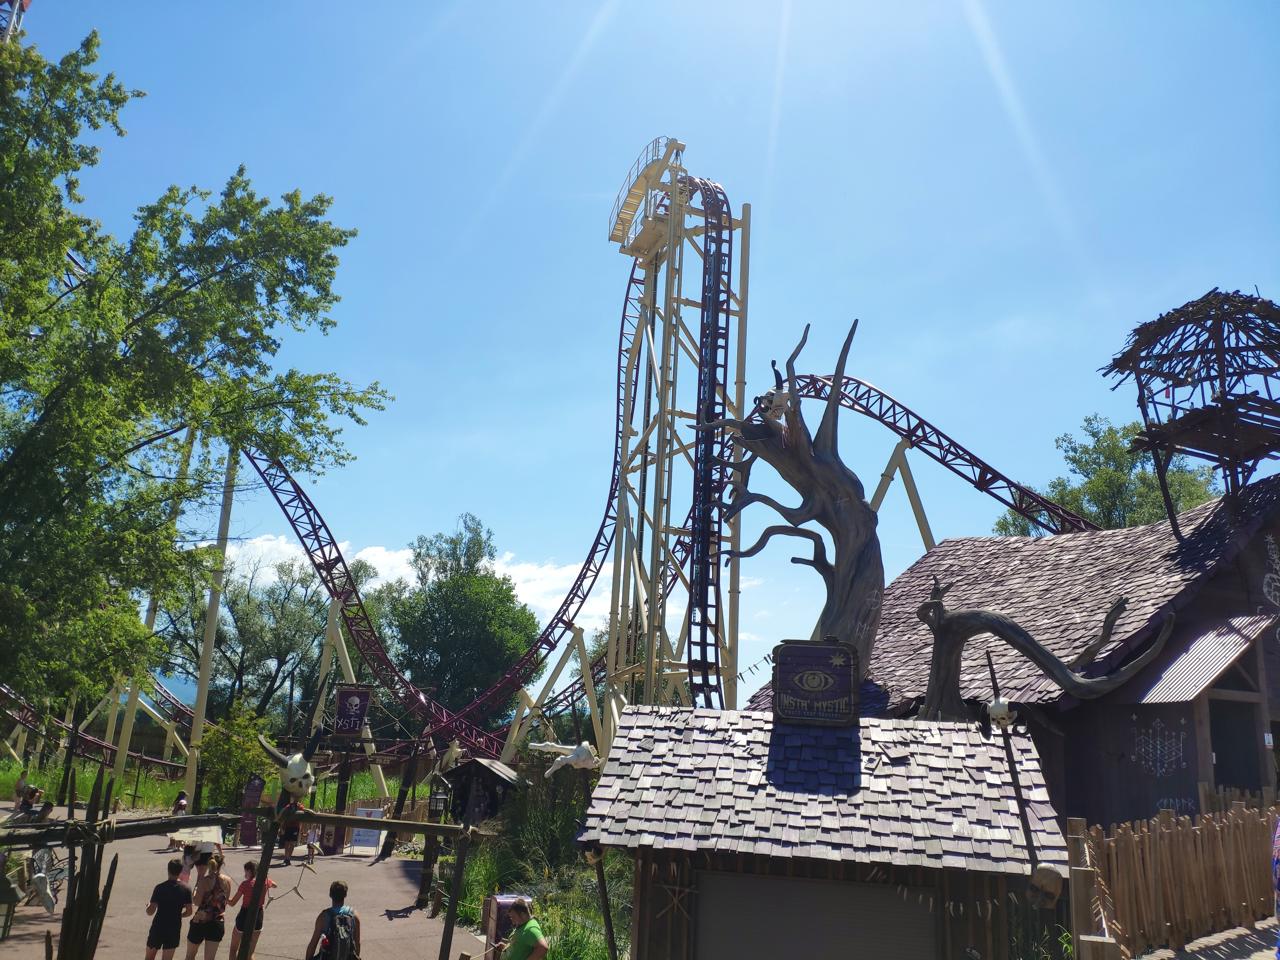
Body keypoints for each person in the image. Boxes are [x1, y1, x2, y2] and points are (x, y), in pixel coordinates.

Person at [146, 857, 194, 960]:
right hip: (174, 927)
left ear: (168, 870)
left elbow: (150, 911)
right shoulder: (186, 889)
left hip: (158, 926)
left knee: (149, 957)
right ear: (180, 871)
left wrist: (148, 906)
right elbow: (189, 911)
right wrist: (180, 915)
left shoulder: (159, 888)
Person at [184, 852, 230, 960]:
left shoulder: (204, 881)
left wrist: (195, 892)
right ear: (221, 865)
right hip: (217, 921)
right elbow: (225, 901)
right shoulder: (227, 881)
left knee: (190, 956)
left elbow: (197, 902)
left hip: (200, 920)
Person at [227, 860, 276, 960]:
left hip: (244, 915)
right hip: (258, 915)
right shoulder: (265, 881)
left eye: (245, 871)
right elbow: (275, 884)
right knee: (250, 953)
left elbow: (232, 903)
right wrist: (268, 883)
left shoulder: (245, 884)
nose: (245, 874)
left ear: (249, 871)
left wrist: (225, 897)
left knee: (233, 949)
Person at [304, 880, 360, 960]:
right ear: (345, 895)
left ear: (330, 895)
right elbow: (357, 943)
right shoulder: (354, 915)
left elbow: (313, 943)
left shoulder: (324, 916)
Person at [280, 798, 304, 866]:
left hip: (295, 827)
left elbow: (302, 817)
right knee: (287, 843)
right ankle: (286, 858)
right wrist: (282, 827)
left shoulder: (300, 806)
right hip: (288, 827)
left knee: (292, 843)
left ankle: (288, 858)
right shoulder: (288, 806)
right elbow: (283, 816)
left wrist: (300, 827)